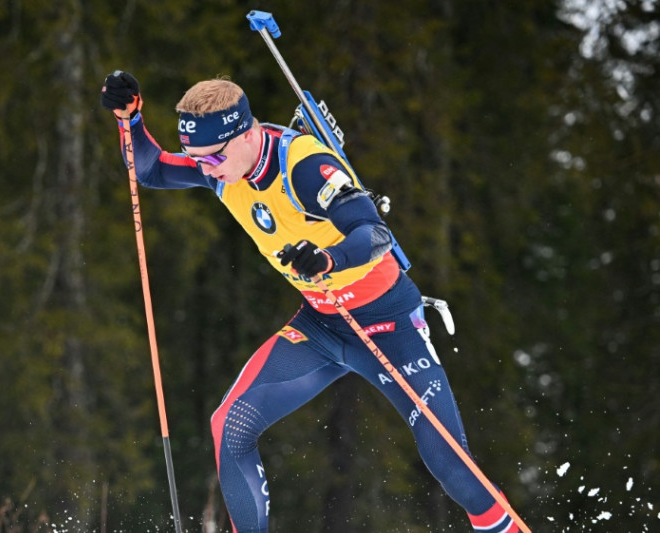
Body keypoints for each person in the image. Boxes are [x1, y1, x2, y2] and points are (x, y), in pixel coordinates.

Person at [101, 71, 517, 533]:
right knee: (230, 426)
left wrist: (328, 258)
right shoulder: (221, 168)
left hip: (387, 322)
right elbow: (151, 170)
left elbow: (374, 232)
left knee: (449, 461)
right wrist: (130, 120)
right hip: (321, 325)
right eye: (197, 159)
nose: (206, 168)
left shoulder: (302, 165)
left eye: (214, 156)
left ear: (247, 134)